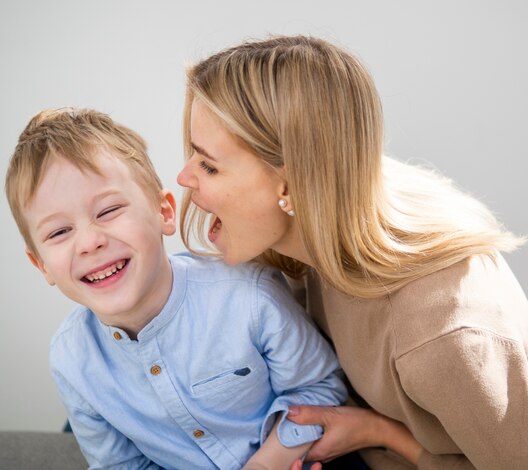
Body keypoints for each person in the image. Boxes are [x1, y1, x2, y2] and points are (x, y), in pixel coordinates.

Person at [176, 35, 528, 469]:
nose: (183, 178)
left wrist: (378, 433)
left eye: (209, 165)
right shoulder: (331, 216)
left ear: (291, 185)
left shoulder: (442, 338)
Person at [4, 107, 347, 470]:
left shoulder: (250, 295)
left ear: (164, 213)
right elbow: (120, 465)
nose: (89, 243)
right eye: (59, 232)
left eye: (108, 211)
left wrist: (266, 463)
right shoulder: (71, 359)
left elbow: (320, 388)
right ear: (41, 265)